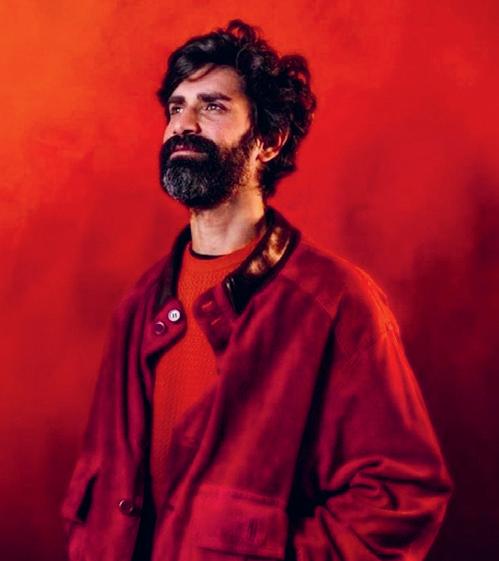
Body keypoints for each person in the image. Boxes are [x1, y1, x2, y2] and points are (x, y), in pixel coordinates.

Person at [61, 19, 452, 561]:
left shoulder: (336, 303)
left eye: (212, 106)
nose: (183, 125)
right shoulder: (138, 307)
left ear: (268, 141)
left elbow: (399, 498)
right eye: (176, 107)